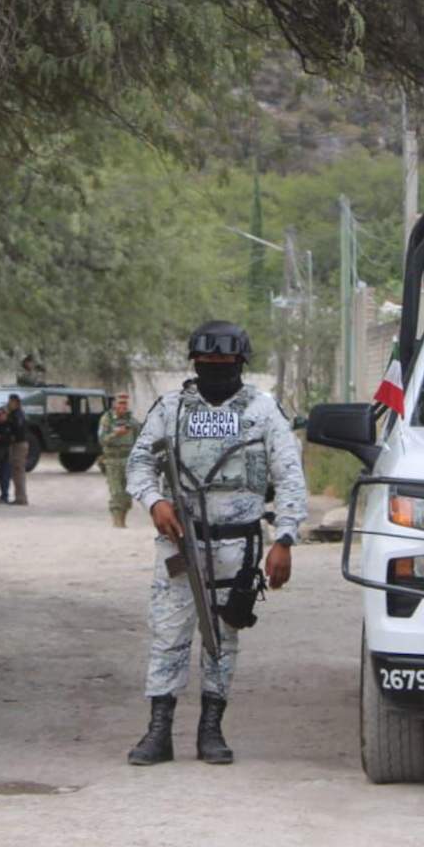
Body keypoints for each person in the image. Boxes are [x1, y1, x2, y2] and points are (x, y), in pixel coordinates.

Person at [123, 321, 307, 766]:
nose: (216, 369)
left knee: (223, 637)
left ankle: (211, 729)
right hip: (181, 543)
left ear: (240, 363)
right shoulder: (172, 408)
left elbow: (289, 475)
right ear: (195, 364)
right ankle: (159, 730)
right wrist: (154, 502)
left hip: (237, 547)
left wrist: (284, 538)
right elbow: (139, 463)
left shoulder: (263, 410)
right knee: (168, 634)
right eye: (207, 362)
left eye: (225, 362)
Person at [98, 392, 138, 527]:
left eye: (125, 403)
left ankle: (122, 521)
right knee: (116, 493)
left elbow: (139, 441)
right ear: (114, 404)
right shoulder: (107, 420)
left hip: (128, 460)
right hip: (113, 461)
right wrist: (115, 434)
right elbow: (102, 440)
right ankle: (117, 523)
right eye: (120, 403)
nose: (123, 406)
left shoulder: (132, 422)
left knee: (127, 494)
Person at [3, 394, 31, 506]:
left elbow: (18, 429)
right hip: (17, 444)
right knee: (16, 472)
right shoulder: (15, 414)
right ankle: (19, 497)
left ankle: (21, 499)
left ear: (16, 403)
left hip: (19, 445)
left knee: (18, 471)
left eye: (11, 402)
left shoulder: (17, 415)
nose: (9, 404)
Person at [0, 405, 18, 504]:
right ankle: (2, 495)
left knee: (6, 475)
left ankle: (5, 496)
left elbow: (12, 439)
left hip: (7, 452)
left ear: (5, 415)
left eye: (0, 415)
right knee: (0, 475)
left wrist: (0, 438)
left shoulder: (9, 425)